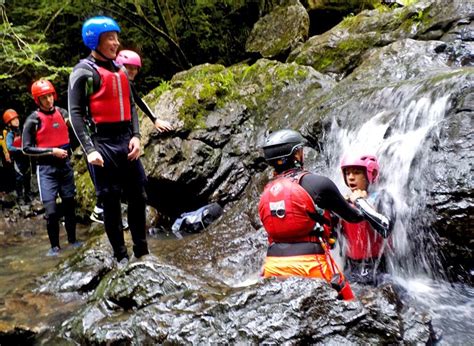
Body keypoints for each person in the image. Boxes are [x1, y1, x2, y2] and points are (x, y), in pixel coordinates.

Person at [258, 129, 391, 300]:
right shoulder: (318, 184)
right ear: (297, 154)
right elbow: (355, 217)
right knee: (349, 307)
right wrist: (357, 200)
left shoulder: (267, 192)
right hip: (310, 264)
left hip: (272, 266)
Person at [68, 16, 149, 265]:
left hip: (125, 139)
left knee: (139, 196)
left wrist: (136, 136)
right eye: (110, 38)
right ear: (95, 40)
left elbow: (131, 107)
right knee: (111, 201)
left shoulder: (122, 70)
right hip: (100, 142)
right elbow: (75, 113)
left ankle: (141, 250)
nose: (116, 43)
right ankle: (121, 255)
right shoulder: (83, 72)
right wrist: (90, 149)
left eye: (116, 37)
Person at [22, 80, 80, 256]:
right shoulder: (33, 119)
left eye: (50, 96)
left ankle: (73, 241)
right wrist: (51, 151)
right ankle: (55, 247)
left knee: (70, 205)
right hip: (46, 169)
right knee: (52, 211)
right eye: (44, 98)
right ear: (37, 100)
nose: (48, 100)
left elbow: (76, 129)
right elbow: (26, 148)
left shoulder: (62, 113)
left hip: (65, 166)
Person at [340, 154, 395, 285]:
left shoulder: (383, 197)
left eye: (357, 173)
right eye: (347, 173)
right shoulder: (345, 201)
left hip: (379, 270)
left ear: (370, 174)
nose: (351, 177)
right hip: (351, 268)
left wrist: (359, 202)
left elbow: (386, 228)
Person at [115, 50, 173, 133]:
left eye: (135, 68)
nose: (133, 71)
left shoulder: (128, 84)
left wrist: (155, 120)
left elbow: (138, 101)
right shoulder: (113, 81)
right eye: (130, 68)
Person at [3, 109, 32, 204]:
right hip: (18, 160)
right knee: (19, 178)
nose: (16, 120)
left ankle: (28, 195)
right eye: (13, 120)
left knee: (27, 177)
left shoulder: (21, 131)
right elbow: (10, 147)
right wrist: (20, 149)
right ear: (9, 123)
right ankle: (20, 197)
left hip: (26, 159)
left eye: (16, 118)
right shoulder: (10, 135)